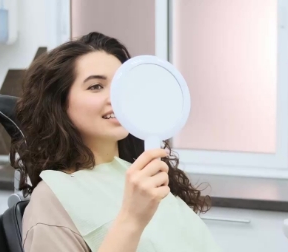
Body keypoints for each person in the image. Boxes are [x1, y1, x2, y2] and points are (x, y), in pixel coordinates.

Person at [13, 32, 221, 252]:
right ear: (59, 103)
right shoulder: (51, 200)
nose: (117, 97)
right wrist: (132, 219)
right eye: (96, 86)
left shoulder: (138, 175)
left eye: (121, 86)